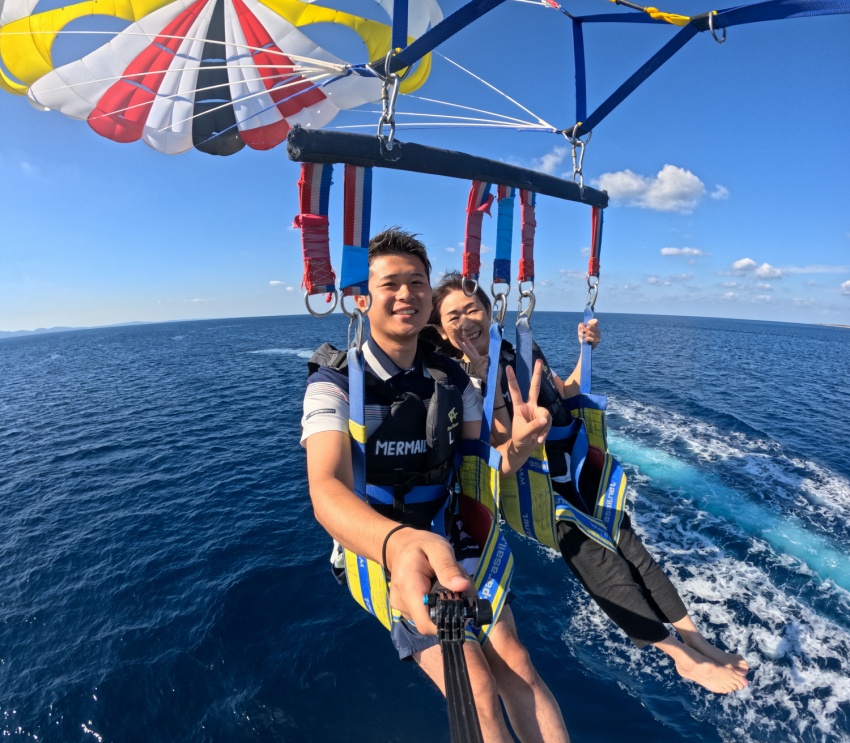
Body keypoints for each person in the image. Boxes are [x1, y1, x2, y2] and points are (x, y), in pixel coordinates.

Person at [301, 229, 570, 742]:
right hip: (378, 545)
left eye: (417, 282)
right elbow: (326, 488)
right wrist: (396, 543)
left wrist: (519, 446)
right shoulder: (334, 384)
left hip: (453, 530)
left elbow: (477, 468)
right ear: (362, 298)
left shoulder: (452, 379)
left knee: (516, 662)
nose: (406, 294)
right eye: (391, 284)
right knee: (475, 684)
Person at [429, 271, 750, 695]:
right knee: (601, 562)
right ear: (439, 328)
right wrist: (491, 383)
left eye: (472, 308)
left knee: (630, 544)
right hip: (535, 488)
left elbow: (566, 393)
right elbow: (498, 454)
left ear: (490, 312)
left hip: (575, 465)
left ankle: (694, 637)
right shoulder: (458, 382)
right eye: (453, 315)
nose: (465, 319)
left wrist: (587, 350)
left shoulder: (518, 352)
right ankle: (682, 658)